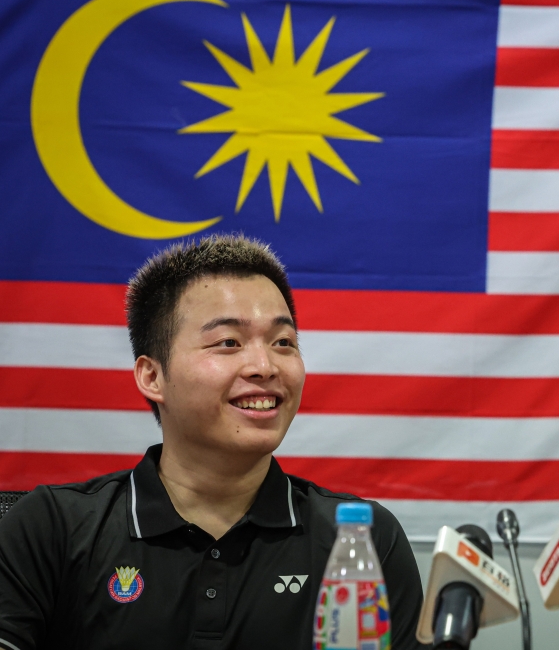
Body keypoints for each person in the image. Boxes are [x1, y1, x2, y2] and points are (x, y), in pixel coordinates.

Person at [0, 234, 426, 650]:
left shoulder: (360, 540)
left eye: (283, 343)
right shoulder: (51, 527)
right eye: (229, 342)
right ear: (152, 376)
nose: (264, 365)